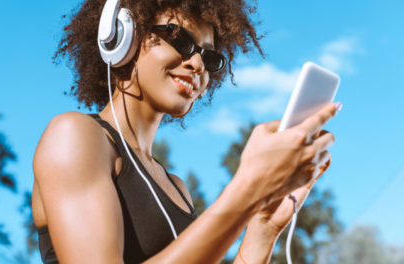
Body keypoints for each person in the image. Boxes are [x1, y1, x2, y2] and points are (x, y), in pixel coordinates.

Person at [31, 0, 340, 263]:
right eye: (180, 40)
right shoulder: (74, 136)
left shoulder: (177, 188)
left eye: (210, 58)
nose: (197, 64)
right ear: (124, 37)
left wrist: (263, 227)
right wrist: (249, 189)